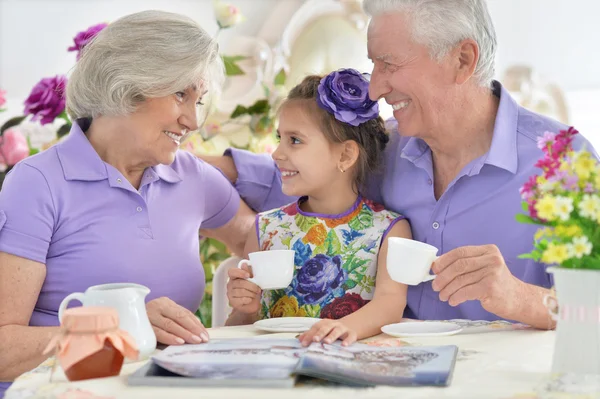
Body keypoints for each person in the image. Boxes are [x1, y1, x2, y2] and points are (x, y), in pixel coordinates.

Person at [202, 0, 596, 331]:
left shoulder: (562, 160)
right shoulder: (385, 147)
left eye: (389, 64)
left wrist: (520, 298)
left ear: (462, 59)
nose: (375, 88)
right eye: (374, 65)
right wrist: (187, 165)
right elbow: (304, 172)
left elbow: (592, 313)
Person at [0, 10, 254, 388]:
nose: (193, 121)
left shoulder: (192, 177)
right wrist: (122, 326)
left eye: (198, 100)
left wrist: (247, 294)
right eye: (180, 94)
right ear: (124, 85)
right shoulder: (37, 183)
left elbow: (253, 234)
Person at [225, 70, 412, 346]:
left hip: (347, 375)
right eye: (280, 139)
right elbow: (239, 329)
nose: (277, 154)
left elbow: (390, 303)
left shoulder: (389, 231)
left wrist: (334, 330)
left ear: (346, 155)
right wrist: (243, 307)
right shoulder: (266, 228)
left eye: (295, 140)